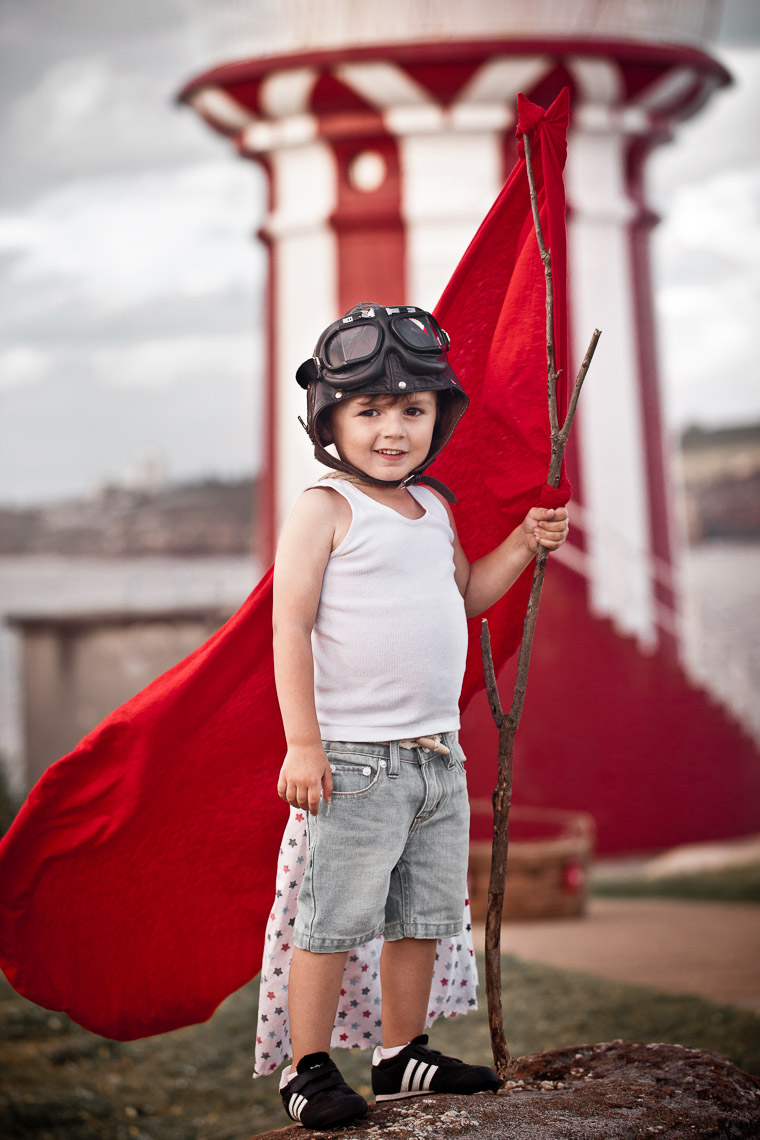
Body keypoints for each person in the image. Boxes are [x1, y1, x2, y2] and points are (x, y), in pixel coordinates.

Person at [272, 302, 569, 1130]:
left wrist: (525, 542)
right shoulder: (324, 508)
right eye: (368, 410)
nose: (392, 428)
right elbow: (288, 625)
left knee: (424, 917)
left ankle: (403, 1053)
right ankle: (307, 1068)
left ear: (438, 417)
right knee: (332, 918)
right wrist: (303, 742)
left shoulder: (433, 508)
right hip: (355, 760)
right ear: (330, 419)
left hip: (440, 758)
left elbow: (466, 597)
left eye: (412, 409)